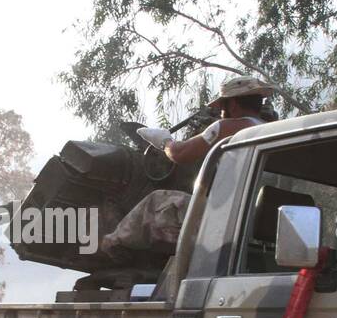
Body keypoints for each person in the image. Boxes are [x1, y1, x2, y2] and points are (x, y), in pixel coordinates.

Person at [101, 76, 277, 257]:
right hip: (248, 221)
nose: (219, 112)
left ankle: (111, 246)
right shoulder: (271, 131)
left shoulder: (226, 127)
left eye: (221, 107)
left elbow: (180, 154)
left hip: (224, 220)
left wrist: (164, 141)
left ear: (232, 104)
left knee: (157, 200)